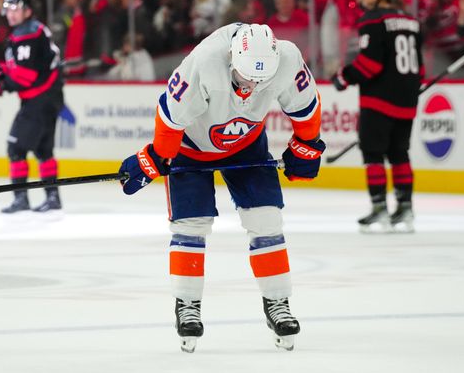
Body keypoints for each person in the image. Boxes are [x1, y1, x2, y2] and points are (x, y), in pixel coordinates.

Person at [117, 23, 325, 353]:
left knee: (267, 219)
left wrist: (306, 144)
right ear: (232, 58)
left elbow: (306, 106)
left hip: (247, 142)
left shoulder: (286, 59)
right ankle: (187, 305)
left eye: (260, 81)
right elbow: (170, 119)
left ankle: (278, 302)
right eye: (244, 79)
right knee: (191, 225)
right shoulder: (204, 62)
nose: (251, 87)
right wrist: (154, 157)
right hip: (190, 147)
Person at [331, 0, 423, 234]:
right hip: (407, 101)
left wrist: (343, 77)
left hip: (379, 100)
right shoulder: (411, 22)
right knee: (399, 154)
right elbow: (421, 69)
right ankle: (405, 208)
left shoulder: (372, 20)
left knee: (373, 154)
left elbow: (369, 64)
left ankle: (380, 208)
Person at [0, 0, 65, 214]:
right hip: (48, 98)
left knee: (16, 147)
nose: (11, 13)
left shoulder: (26, 35)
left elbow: (23, 78)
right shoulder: (32, 30)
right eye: (8, 8)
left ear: (27, 10)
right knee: (43, 150)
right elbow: (21, 70)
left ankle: (21, 199)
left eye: (16, 8)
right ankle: (53, 197)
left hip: (38, 101)